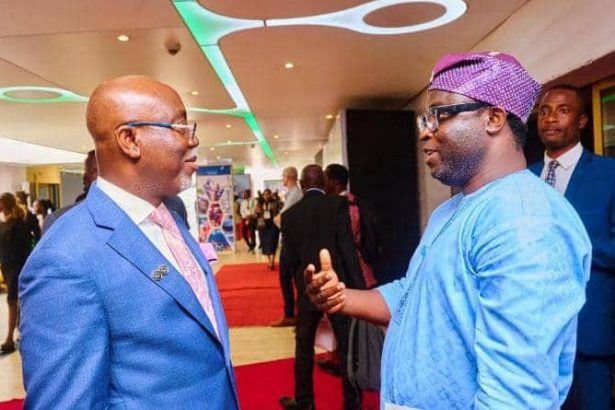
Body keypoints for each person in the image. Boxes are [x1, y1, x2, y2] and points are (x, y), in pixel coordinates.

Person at [305, 52, 592, 409]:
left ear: (494, 118)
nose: (425, 132)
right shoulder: (454, 209)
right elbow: (416, 295)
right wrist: (341, 298)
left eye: (439, 115)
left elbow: (515, 398)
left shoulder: (526, 220)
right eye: (424, 119)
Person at [19, 75, 238, 409]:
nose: (193, 139)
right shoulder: (65, 259)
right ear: (130, 140)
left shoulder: (171, 217)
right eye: (180, 127)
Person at [530, 84, 615, 410]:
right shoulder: (524, 179)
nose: (551, 118)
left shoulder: (609, 174)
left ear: (581, 121)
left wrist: (570, 239)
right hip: (533, 334)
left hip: (589, 335)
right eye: (545, 111)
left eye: (563, 111)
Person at [279, 164, 363, 410]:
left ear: (302, 184)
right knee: (346, 346)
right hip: (337, 286)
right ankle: (352, 403)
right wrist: (359, 288)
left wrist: (291, 296)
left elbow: (288, 261)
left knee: (304, 346)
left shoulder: (290, 215)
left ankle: (305, 401)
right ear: (324, 182)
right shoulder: (337, 206)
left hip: (308, 288)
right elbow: (346, 249)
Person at [0, 193, 31, 354]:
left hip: (16, 267)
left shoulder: (17, 224)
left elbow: (24, 248)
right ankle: (16, 333)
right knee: (14, 301)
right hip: (8, 266)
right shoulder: (7, 224)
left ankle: (9, 338)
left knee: (12, 300)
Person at [271, 166, 303, 327]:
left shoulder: (295, 193)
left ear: (289, 177)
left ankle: (293, 313)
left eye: (283, 176)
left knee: (290, 278)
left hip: (292, 243)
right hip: (290, 241)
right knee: (287, 278)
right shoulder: (292, 193)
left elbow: (281, 218)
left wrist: (278, 219)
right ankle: (291, 313)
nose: (282, 179)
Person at [255, 188, 281, 270]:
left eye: (268, 194)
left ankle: (272, 261)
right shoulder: (259, 203)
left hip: (273, 225)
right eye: (265, 194)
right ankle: (269, 260)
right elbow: (256, 214)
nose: (266, 196)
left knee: (272, 243)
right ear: (263, 195)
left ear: (271, 195)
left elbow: (280, 211)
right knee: (266, 244)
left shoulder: (275, 202)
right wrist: (258, 211)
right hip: (263, 226)